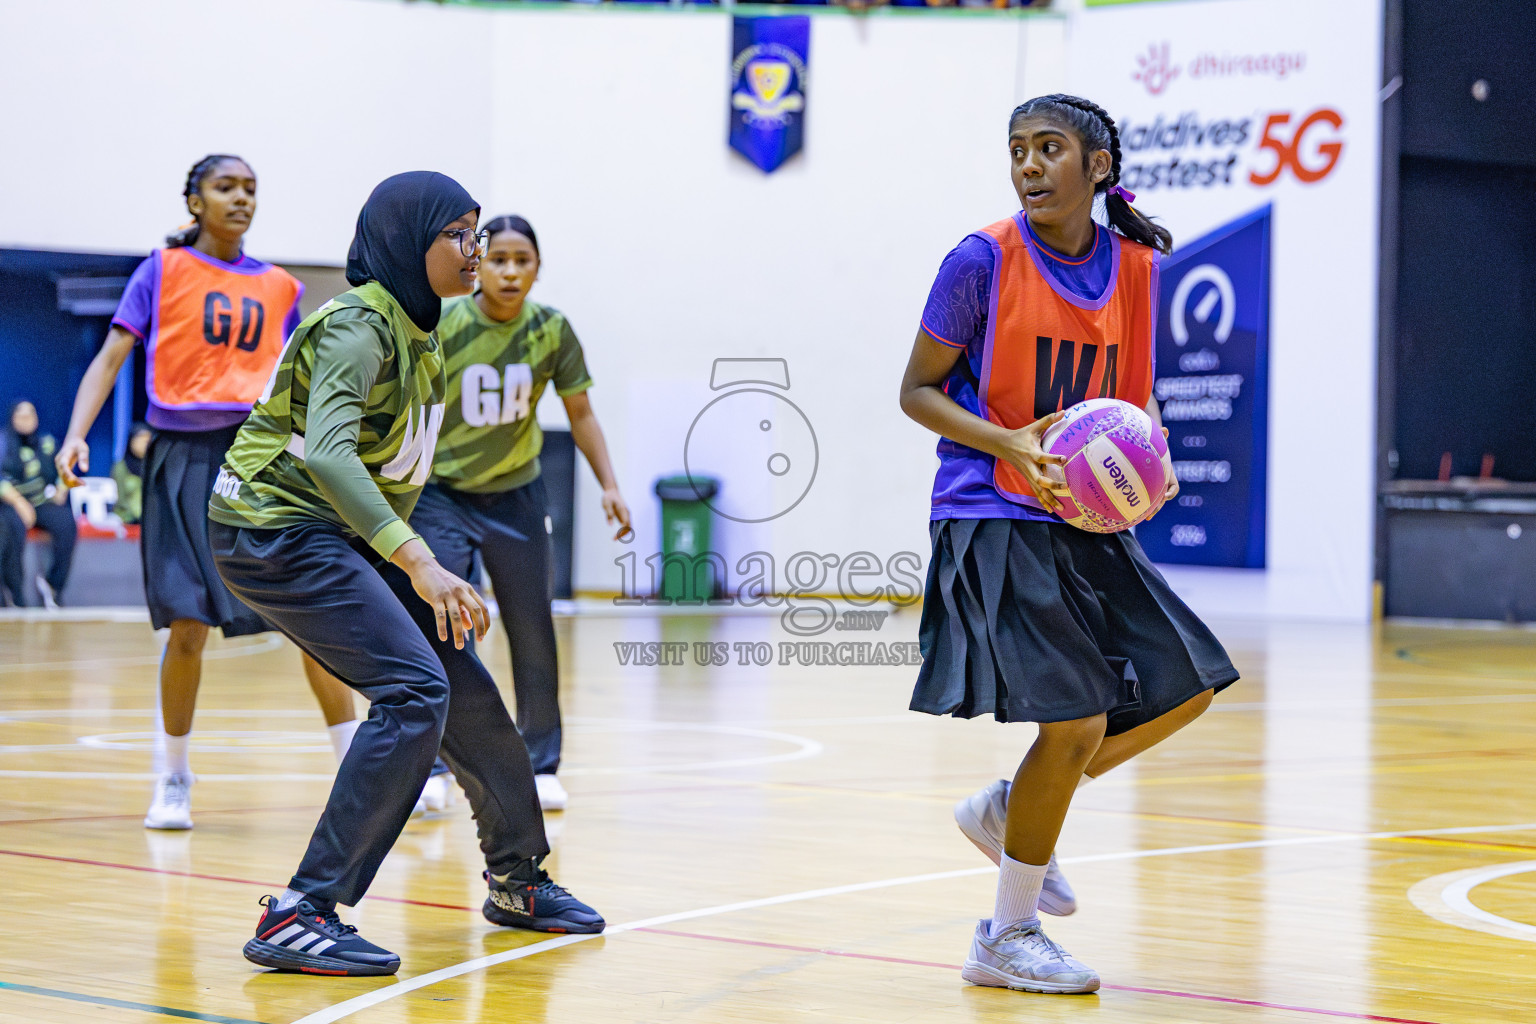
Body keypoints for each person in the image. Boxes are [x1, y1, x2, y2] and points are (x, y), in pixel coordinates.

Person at [209, 171, 603, 978]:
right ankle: (303, 911)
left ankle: (518, 881)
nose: (475, 248)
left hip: (336, 532)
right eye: (459, 234)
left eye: (478, 231)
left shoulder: (419, 329)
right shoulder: (358, 327)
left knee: (464, 685)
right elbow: (327, 454)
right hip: (272, 530)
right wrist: (420, 559)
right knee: (414, 690)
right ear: (406, 240)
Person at [898, 94, 1239, 994]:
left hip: (1083, 517)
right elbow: (917, 392)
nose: (1029, 166)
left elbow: (1132, 399)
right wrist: (1008, 441)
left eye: (1050, 149)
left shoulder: (1135, 266)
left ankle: (1016, 807)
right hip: (993, 507)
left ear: (1098, 166)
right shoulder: (980, 261)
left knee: (1185, 686)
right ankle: (1005, 935)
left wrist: (1153, 465)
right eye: (1017, 151)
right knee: (1078, 718)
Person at [55, 154, 360, 830]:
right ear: (195, 201)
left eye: (251, 189)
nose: (241, 199)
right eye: (226, 188)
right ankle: (172, 776)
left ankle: (358, 770)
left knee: (310, 618)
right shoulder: (160, 271)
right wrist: (77, 434)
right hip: (180, 460)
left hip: (259, 458)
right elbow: (110, 359)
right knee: (187, 625)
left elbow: (296, 387)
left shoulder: (281, 286)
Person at [412, 214, 630, 813]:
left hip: (517, 494)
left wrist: (609, 485)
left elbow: (581, 413)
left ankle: (541, 762)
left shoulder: (551, 329)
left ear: (536, 268)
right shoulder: (444, 323)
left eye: (522, 260)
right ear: (479, 263)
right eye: (498, 259)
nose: (509, 272)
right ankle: (432, 765)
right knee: (445, 626)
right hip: (443, 495)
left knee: (533, 626)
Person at [1, 401, 75, 609]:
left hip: (40, 502)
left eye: (31, 415)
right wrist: (18, 502)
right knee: (10, 530)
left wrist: (62, 487)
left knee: (66, 523)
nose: (27, 420)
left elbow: (64, 467)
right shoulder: (3, 443)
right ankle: (14, 594)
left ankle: (53, 584)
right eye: (21, 416)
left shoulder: (46, 443)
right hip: (9, 504)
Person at [111, 422, 153, 526]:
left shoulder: (153, 466)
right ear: (131, 441)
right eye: (140, 440)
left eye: (147, 441)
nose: (144, 445)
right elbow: (119, 498)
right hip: (127, 520)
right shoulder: (122, 467)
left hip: (151, 519)